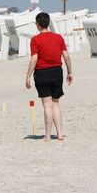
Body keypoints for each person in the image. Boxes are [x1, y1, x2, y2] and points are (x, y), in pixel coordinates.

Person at [25, 12, 73, 141]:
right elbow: (66, 56)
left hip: (42, 73)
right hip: (57, 72)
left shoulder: (35, 40)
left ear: (39, 25)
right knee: (55, 104)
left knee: (47, 105)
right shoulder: (58, 38)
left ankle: (47, 135)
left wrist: (28, 76)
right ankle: (60, 134)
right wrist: (69, 72)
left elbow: (34, 59)